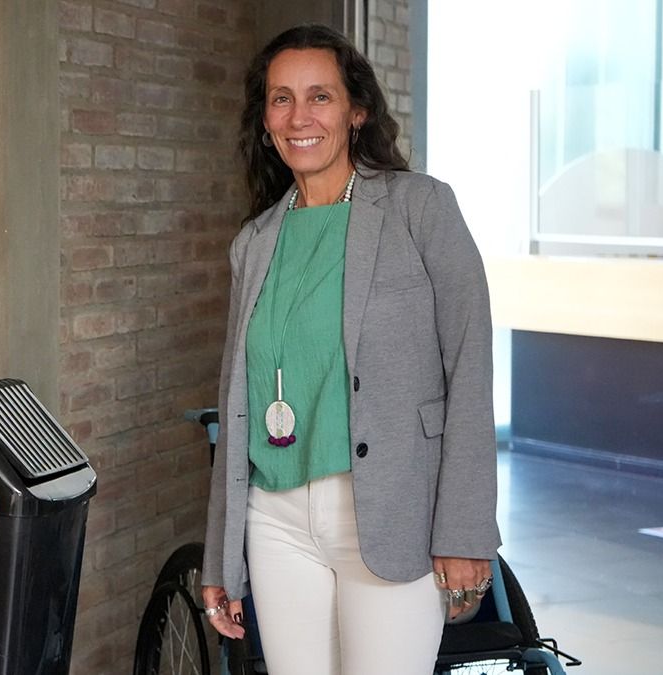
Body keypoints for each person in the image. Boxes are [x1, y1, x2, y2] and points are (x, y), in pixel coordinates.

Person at [200, 23, 501, 674]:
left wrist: (465, 529)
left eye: (320, 96)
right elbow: (237, 397)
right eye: (281, 99)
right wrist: (220, 556)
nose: (299, 117)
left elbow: (470, 366)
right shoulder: (255, 242)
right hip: (276, 519)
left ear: (356, 111)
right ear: (265, 121)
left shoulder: (420, 208)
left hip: (389, 509)